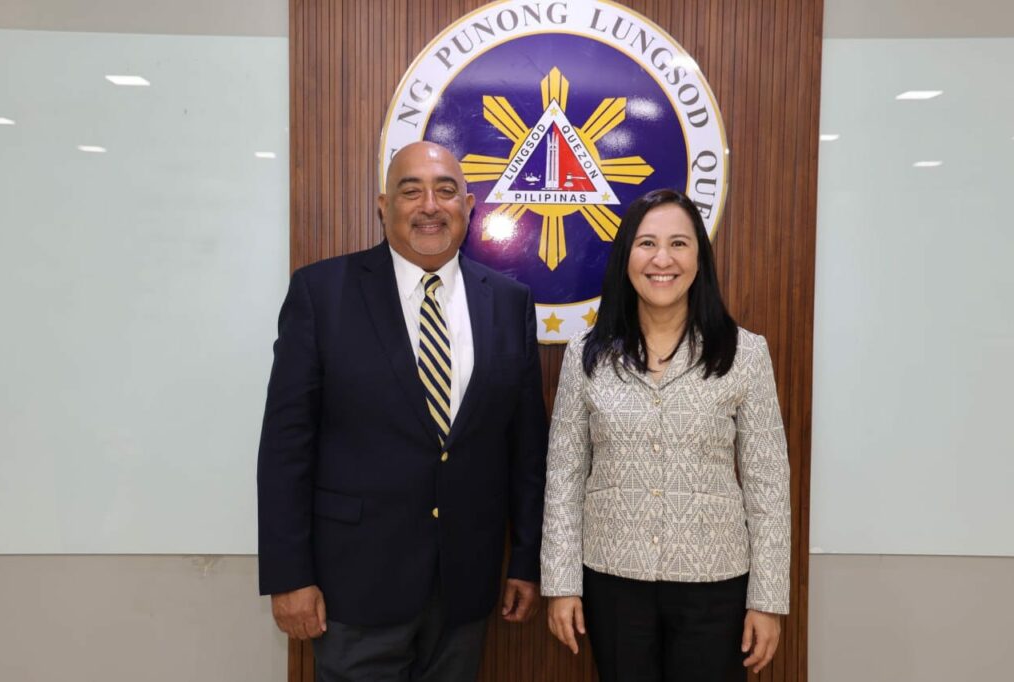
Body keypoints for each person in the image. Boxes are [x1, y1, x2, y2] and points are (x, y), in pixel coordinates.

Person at [257, 141, 548, 681]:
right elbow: (285, 446)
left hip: (465, 588)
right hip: (352, 589)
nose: (429, 206)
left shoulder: (509, 303)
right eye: (410, 191)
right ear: (382, 205)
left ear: (469, 205)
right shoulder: (322, 293)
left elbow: (527, 450)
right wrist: (288, 575)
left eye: (445, 190)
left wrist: (527, 560)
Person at [540, 189, 790, 681]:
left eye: (678, 244)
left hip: (715, 584)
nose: (662, 259)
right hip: (613, 581)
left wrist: (768, 599)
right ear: (626, 257)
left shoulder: (744, 354)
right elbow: (563, 480)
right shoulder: (586, 356)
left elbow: (768, 486)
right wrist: (561, 583)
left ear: (699, 258)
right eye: (647, 243)